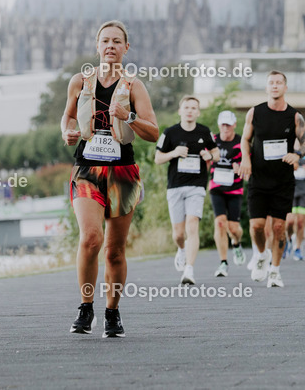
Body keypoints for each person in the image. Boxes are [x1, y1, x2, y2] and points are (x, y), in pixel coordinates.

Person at [62, 21, 158, 337]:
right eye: (105, 41)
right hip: (87, 168)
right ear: (97, 45)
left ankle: (112, 312)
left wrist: (127, 116)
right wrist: (67, 131)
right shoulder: (80, 81)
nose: (110, 46)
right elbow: (68, 116)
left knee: (114, 250)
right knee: (91, 238)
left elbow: (153, 132)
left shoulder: (135, 86)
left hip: (123, 172)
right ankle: (86, 306)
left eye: (117, 41)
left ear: (126, 48)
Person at [240, 71, 305, 288]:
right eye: (271, 83)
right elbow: (245, 138)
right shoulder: (255, 113)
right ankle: (261, 255)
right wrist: (245, 159)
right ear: (266, 87)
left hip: (283, 180)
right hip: (259, 178)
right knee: (256, 227)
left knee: (279, 227)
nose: (275, 86)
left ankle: (275, 272)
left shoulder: (295, 116)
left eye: (279, 83)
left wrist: (297, 154)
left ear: (285, 88)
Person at [155, 96, 218, 285]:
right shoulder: (170, 133)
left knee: (192, 225)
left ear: (198, 112)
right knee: (178, 234)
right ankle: (181, 249)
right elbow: (158, 158)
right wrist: (174, 153)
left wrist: (210, 155)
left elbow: (216, 153)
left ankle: (189, 270)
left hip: (196, 186)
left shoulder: (204, 132)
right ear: (180, 111)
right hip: (175, 186)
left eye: (193, 108)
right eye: (186, 107)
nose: (190, 110)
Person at [210, 110, 245, 276]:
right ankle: (223, 262)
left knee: (233, 228)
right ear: (219, 125)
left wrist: (240, 167)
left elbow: (248, 163)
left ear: (234, 125)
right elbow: (206, 158)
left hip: (235, 188)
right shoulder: (213, 140)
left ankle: (236, 243)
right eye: (223, 125)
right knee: (220, 223)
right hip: (216, 186)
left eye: (228, 125)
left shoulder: (241, 142)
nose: (226, 128)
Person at [286, 152, 305, 261]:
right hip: (290, 190)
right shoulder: (288, 148)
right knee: (290, 222)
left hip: (304, 191)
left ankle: (298, 248)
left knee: (301, 222)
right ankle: (288, 240)